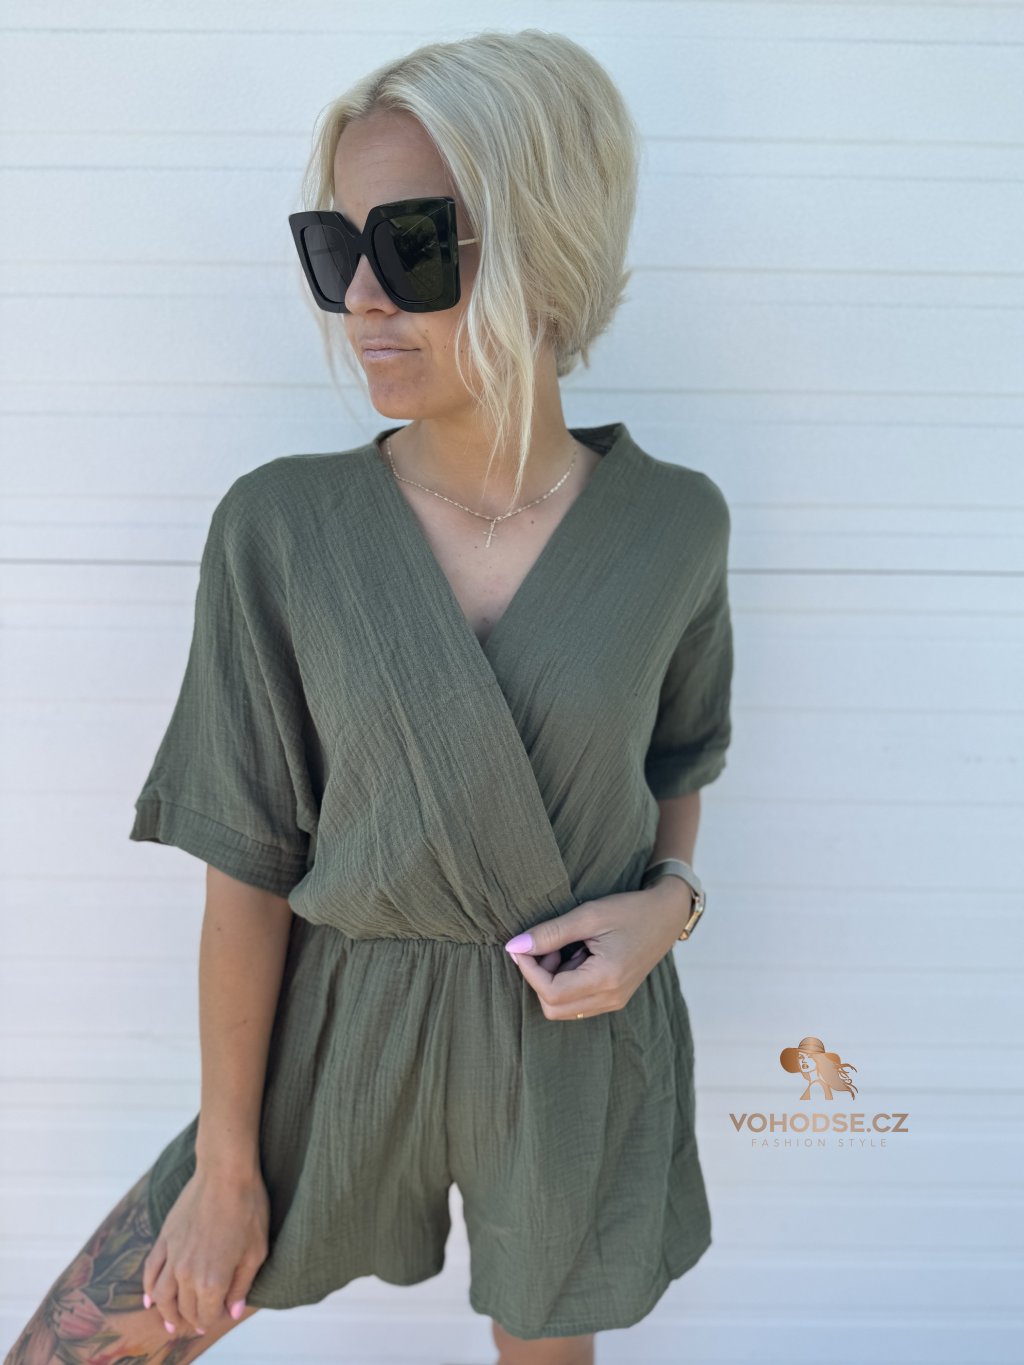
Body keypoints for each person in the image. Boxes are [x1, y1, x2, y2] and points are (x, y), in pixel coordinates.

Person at [4, 28, 733, 1365]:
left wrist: (669, 908)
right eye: (333, 250)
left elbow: (677, 757)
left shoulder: (675, 526)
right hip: (338, 1018)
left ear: (546, 241)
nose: (359, 301)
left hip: (570, 1036)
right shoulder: (282, 528)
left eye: (410, 245)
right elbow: (245, 862)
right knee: (75, 1350)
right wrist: (227, 1164)